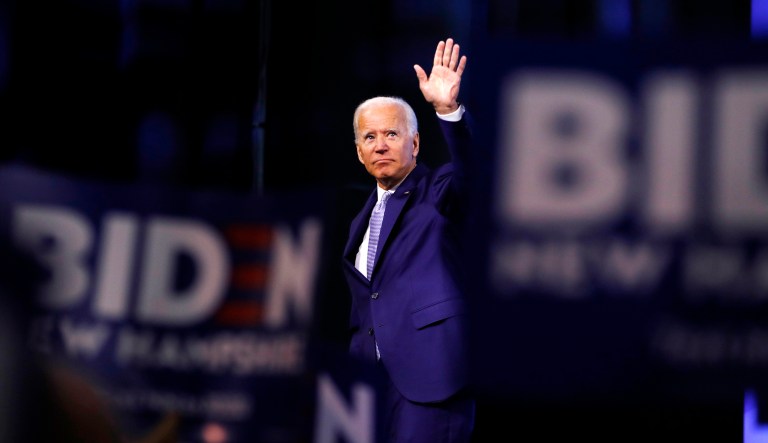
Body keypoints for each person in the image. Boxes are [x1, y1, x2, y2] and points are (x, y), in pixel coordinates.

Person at [341, 38, 475, 442]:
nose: (380, 144)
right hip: (368, 387)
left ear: (414, 143)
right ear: (359, 153)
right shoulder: (358, 220)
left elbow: (474, 171)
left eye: (391, 134)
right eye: (369, 138)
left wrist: (446, 110)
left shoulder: (438, 190)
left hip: (431, 380)